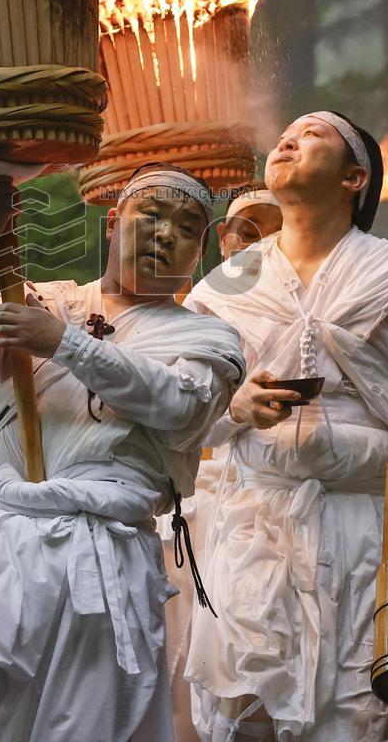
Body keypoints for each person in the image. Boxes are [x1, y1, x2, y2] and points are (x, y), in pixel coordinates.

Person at [0, 164, 245, 742]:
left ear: (201, 248)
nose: (165, 235)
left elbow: (179, 406)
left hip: (104, 559)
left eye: (186, 227)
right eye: (150, 217)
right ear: (113, 224)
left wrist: (62, 344)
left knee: (80, 728)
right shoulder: (46, 300)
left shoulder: (212, 339)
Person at [183, 111, 388, 742]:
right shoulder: (224, 285)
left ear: (355, 177)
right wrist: (234, 408)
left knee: (350, 707)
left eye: (312, 136)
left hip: (363, 520)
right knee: (246, 706)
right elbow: (181, 408)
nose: (288, 142)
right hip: (253, 522)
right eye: (284, 137)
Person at [164, 189, 283, 742]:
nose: (246, 240)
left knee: (242, 663)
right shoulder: (186, 308)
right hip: (180, 515)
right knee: (172, 651)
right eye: (237, 228)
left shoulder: (299, 317)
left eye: (264, 228)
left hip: (253, 514)